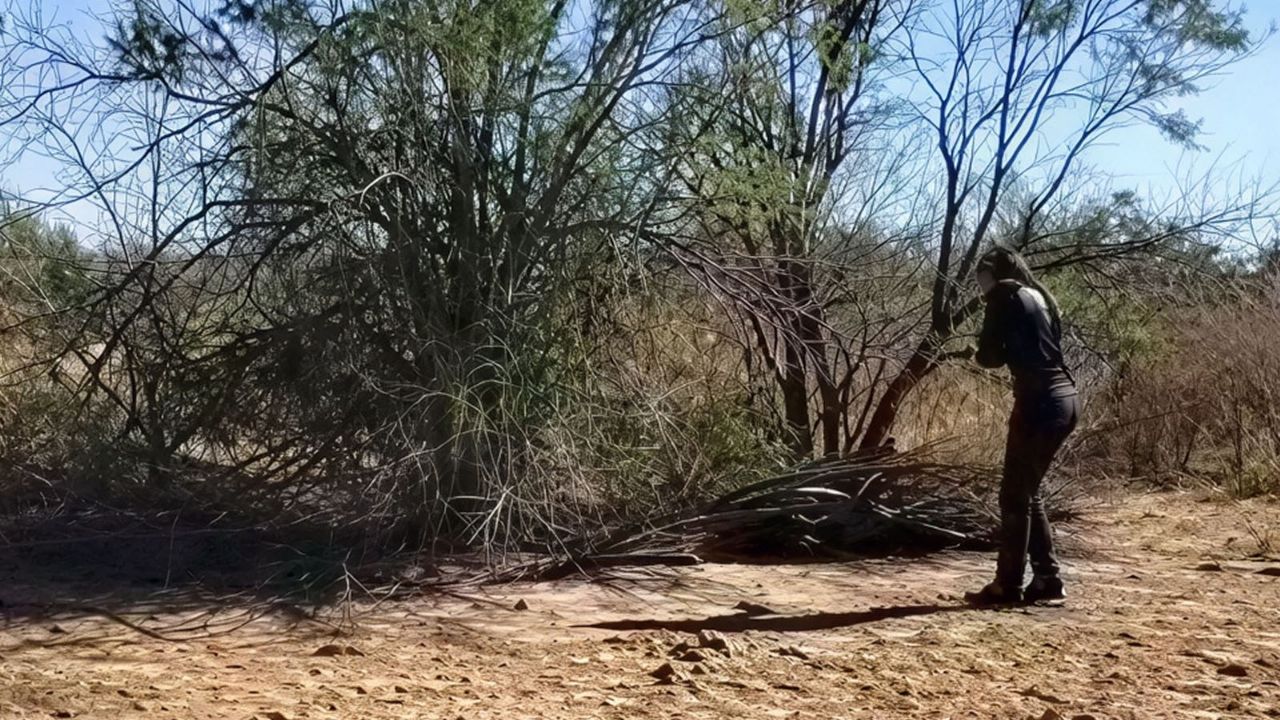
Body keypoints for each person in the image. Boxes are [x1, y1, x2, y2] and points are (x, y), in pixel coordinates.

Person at [965, 246, 1079, 606]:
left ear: (990, 274)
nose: (979, 285)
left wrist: (978, 347)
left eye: (980, 277)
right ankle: (1047, 581)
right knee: (1028, 492)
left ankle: (1007, 585)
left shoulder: (1003, 296)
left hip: (1038, 404)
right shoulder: (1039, 295)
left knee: (1014, 496)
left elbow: (989, 357)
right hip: (1065, 399)